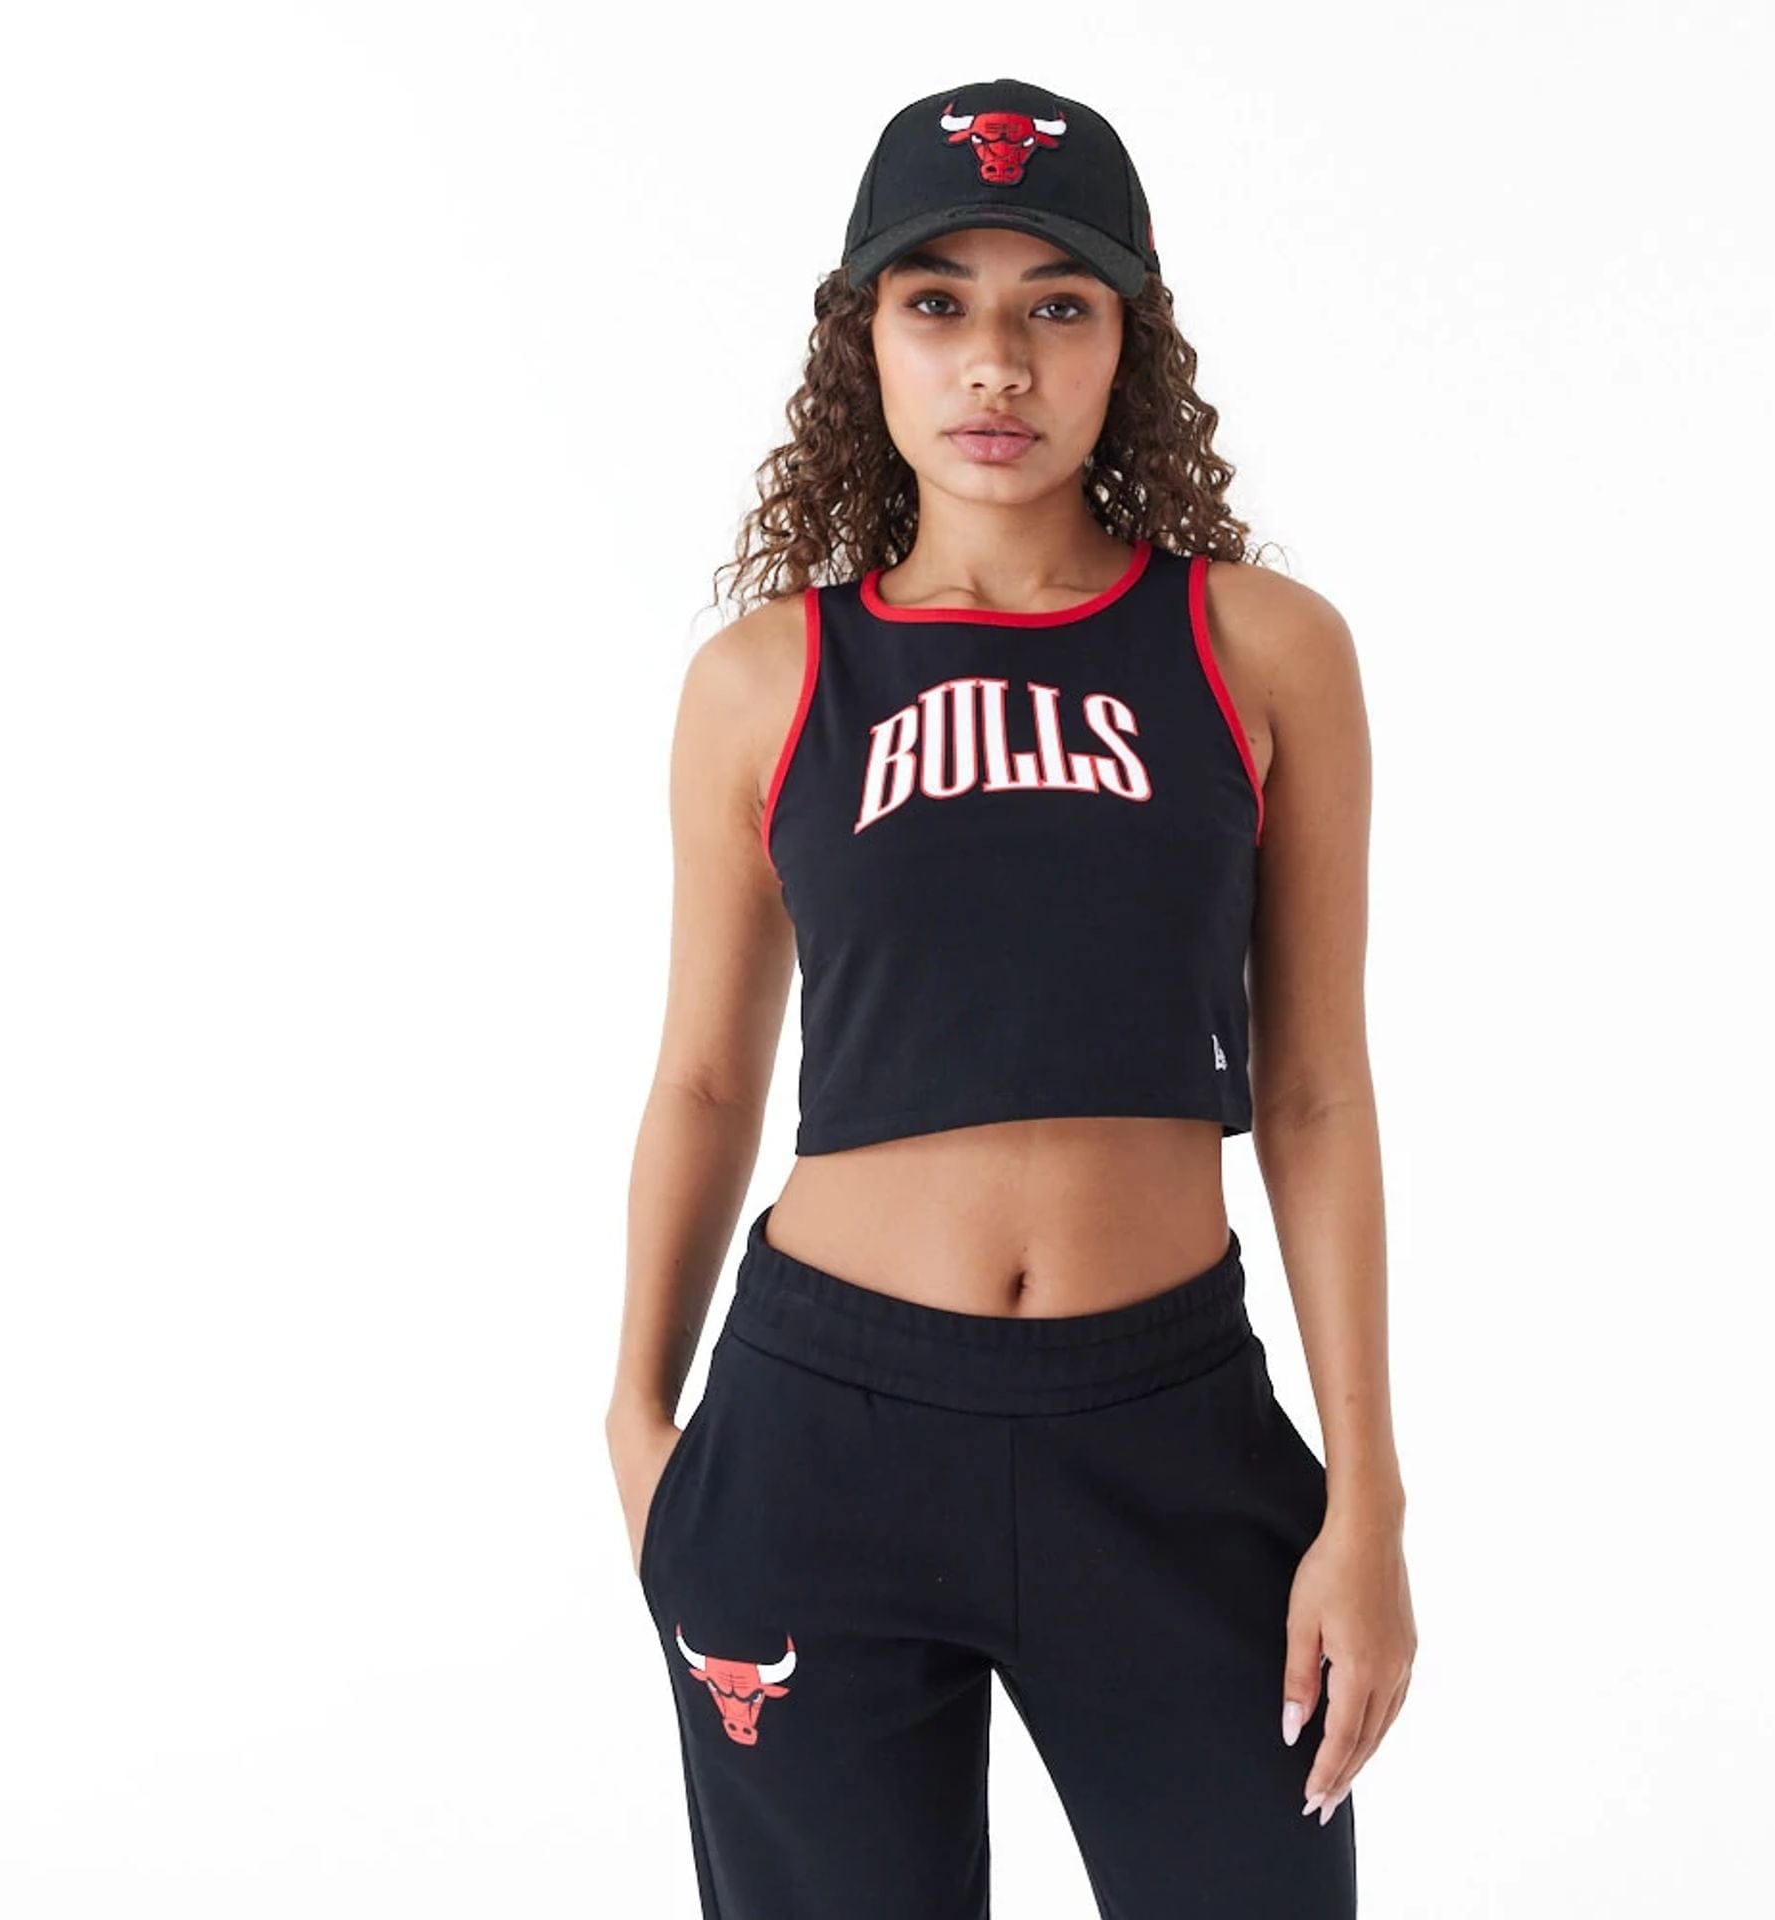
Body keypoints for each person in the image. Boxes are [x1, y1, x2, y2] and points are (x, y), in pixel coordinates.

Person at [604, 75, 1415, 1919]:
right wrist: (642, 1428)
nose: (997, 363)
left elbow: (1316, 1093)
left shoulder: (1259, 647)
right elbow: (706, 1082)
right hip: (818, 1431)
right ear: (863, 342)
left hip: (1167, 1426)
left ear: (1131, 341)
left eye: (1058, 304)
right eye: (937, 303)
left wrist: (1367, 1496)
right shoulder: (767, 678)